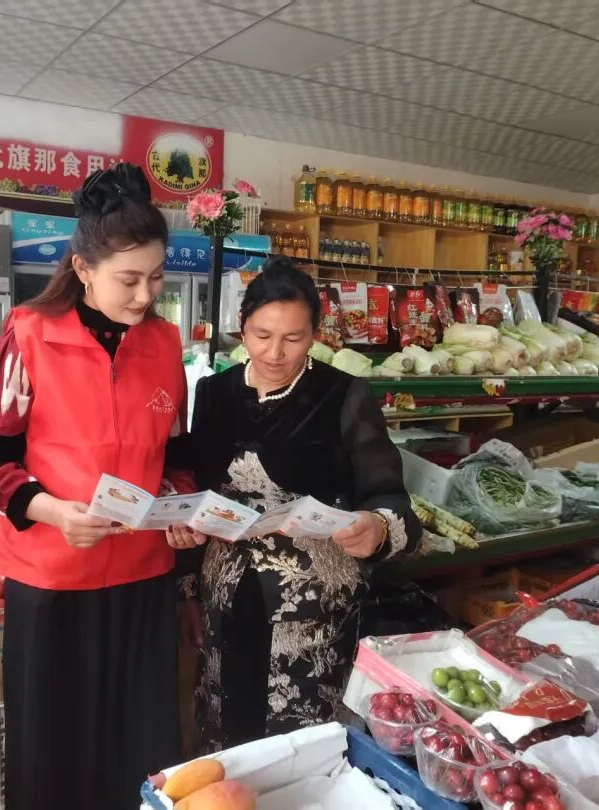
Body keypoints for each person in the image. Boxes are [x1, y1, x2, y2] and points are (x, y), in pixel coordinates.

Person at [0, 163, 201, 809]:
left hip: (142, 576)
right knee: (54, 745)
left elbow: (177, 452)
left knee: (139, 740)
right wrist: (53, 512)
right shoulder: (29, 334)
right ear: (83, 268)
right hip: (52, 579)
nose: (145, 295)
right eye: (129, 279)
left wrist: (177, 503)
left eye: (156, 278)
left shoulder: (163, 343)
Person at [173, 257, 422, 752]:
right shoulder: (215, 393)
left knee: (303, 744)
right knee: (229, 731)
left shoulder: (343, 395)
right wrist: (188, 590)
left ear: (314, 334)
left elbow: (389, 495)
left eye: (293, 338)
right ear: (242, 327)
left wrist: (376, 526)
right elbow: (199, 491)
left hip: (314, 607)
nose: (275, 352)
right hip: (227, 595)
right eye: (262, 335)